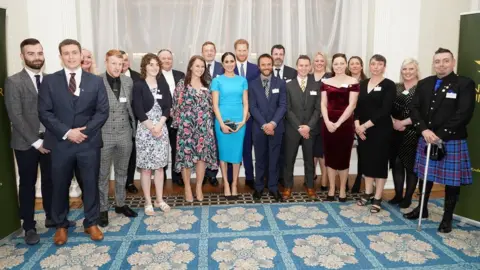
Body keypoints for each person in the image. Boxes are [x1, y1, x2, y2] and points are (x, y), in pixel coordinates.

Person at [38, 39, 108, 245]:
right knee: (59, 185)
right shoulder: (50, 81)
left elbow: (102, 111)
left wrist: (83, 132)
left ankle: (91, 223)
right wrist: (68, 132)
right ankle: (61, 225)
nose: (71, 56)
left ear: (80, 55)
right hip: (61, 144)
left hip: (88, 142)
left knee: (90, 184)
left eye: (74, 53)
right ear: (60, 57)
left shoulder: (95, 81)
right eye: (66, 53)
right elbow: (44, 112)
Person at [404, 48, 476, 234]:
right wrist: (424, 129)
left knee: (452, 182)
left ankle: (447, 218)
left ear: (453, 62)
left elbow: (464, 113)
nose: (441, 65)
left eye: (445, 61)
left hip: (451, 139)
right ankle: (422, 208)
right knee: (424, 175)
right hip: (426, 136)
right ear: (433, 63)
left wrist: (440, 134)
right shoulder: (425, 83)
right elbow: (414, 108)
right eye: (437, 61)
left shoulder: (464, 83)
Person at [4, 38, 68, 245]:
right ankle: (29, 225)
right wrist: (35, 142)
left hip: (50, 140)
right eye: (31, 53)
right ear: (22, 56)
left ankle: (52, 217)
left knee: (51, 180)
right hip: (26, 143)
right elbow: (16, 116)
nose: (36, 57)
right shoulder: (14, 82)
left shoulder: (51, 80)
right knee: (28, 184)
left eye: (39, 53)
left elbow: (57, 111)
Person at [97, 49, 138, 228]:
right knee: (103, 174)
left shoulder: (128, 82)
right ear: (106, 62)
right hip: (103, 135)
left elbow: (132, 108)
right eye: (113, 63)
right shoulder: (96, 81)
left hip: (124, 134)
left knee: (123, 172)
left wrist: (134, 132)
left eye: (120, 64)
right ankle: (103, 209)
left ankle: (120, 204)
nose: (117, 67)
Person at [171, 55, 218, 202]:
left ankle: (198, 187)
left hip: (204, 128)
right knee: (186, 159)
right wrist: (179, 123)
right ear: (191, 67)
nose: (200, 69)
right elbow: (175, 106)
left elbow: (213, 106)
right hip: (186, 128)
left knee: (201, 159)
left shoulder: (208, 84)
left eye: (202, 66)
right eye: (197, 66)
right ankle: (187, 188)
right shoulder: (181, 84)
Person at [355, 54, 396, 213]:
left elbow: (385, 110)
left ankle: (378, 197)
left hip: (381, 131)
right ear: (369, 66)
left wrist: (364, 126)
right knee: (366, 162)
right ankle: (367, 193)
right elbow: (357, 107)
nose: (376, 67)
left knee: (379, 163)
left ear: (384, 67)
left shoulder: (389, 85)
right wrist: (357, 125)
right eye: (373, 64)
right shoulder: (363, 83)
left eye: (380, 64)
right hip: (363, 131)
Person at [132, 53, 172, 216]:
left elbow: (168, 105)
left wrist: (160, 125)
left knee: (160, 168)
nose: (154, 67)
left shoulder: (162, 83)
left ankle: (159, 199)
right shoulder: (138, 85)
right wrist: (151, 127)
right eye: (151, 64)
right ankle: (148, 201)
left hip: (161, 129)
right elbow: (138, 109)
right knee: (147, 169)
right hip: (145, 130)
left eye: (157, 64)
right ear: (144, 67)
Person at [321, 53, 359, 202]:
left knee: (343, 158)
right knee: (329, 158)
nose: (338, 66)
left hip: (345, 125)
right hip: (328, 124)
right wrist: (328, 122)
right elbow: (323, 104)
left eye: (341, 63)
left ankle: (342, 189)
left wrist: (338, 123)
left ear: (346, 65)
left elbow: (352, 105)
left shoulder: (353, 81)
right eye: (336, 64)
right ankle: (331, 188)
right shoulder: (326, 82)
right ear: (333, 66)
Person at [249, 54, 287, 202]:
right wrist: (264, 124)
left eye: (268, 64)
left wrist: (272, 124)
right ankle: (258, 187)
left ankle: (273, 187)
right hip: (259, 128)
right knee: (260, 159)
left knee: (275, 159)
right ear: (259, 66)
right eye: (263, 64)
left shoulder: (281, 83)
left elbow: (283, 105)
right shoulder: (252, 84)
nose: (266, 67)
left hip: (276, 128)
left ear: (272, 65)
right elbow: (252, 107)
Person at [282, 55, 321, 200]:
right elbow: (287, 109)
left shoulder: (316, 85)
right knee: (289, 159)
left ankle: (310, 186)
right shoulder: (288, 85)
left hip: (310, 130)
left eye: (306, 65)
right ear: (296, 66)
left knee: (309, 160)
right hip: (293, 129)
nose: (304, 68)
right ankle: (288, 186)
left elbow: (318, 109)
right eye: (301, 65)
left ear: (310, 67)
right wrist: (300, 127)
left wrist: (308, 127)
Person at [212, 52, 248, 198]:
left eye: (231, 61)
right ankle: (226, 183)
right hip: (222, 121)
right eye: (226, 61)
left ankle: (234, 183)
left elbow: (246, 103)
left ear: (235, 62)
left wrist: (243, 121)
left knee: (236, 154)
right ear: (222, 64)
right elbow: (214, 105)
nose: (229, 64)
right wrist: (221, 124)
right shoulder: (217, 81)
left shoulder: (242, 80)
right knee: (224, 153)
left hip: (239, 121)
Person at [389, 58, 420, 209]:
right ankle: (398, 194)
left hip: (413, 131)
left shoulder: (422, 88)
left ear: (416, 70)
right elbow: (388, 106)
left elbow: (423, 112)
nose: (407, 72)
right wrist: (395, 121)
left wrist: (404, 123)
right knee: (397, 164)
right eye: (404, 69)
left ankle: (408, 197)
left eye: (411, 69)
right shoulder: (396, 87)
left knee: (411, 166)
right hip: (395, 130)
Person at [233, 39, 260, 189]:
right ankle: (231, 177)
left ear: (248, 51)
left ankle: (250, 177)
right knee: (233, 145)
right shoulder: (229, 68)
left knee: (248, 147)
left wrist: (249, 110)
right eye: (239, 50)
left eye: (244, 50)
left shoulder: (255, 69)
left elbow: (256, 92)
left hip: (251, 115)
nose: (242, 53)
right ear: (235, 51)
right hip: (234, 114)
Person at [158, 49, 185, 187]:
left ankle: (177, 175)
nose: (167, 60)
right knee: (161, 148)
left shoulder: (180, 75)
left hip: (177, 118)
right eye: (163, 58)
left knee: (177, 148)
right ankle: (160, 176)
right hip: (161, 119)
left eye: (169, 58)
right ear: (158, 60)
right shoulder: (154, 76)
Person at [271, 44, 297, 187]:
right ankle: (271, 177)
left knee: (285, 151)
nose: (278, 56)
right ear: (271, 55)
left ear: (284, 56)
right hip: (270, 118)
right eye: (276, 54)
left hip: (288, 118)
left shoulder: (292, 72)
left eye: (281, 54)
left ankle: (283, 177)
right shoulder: (265, 71)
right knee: (271, 150)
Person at [201, 41, 223, 187]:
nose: (209, 53)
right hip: (201, 113)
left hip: (219, 112)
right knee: (202, 145)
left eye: (211, 50)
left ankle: (213, 174)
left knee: (215, 144)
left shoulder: (223, 68)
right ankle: (202, 174)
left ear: (215, 52)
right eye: (206, 50)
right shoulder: (198, 68)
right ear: (202, 52)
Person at [119, 50, 141, 194]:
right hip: (116, 123)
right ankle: (119, 183)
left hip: (135, 121)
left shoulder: (138, 77)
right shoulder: (107, 78)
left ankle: (130, 181)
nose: (124, 63)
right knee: (119, 155)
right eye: (121, 61)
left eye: (126, 60)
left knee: (132, 153)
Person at [346, 56, 368, 193]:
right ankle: (344, 181)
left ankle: (359, 179)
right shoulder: (345, 82)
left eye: (357, 63)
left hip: (362, 122)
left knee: (362, 153)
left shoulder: (367, 82)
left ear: (361, 66)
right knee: (345, 152)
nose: (354, 66)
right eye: (352, 64)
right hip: (347, 120)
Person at [312, 52, 332, 192]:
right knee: (312, 150)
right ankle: (311, 177)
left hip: (326, 119)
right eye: (317, 60)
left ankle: (324, 178)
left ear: (325, 62)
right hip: (311, 119)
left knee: (323, 150)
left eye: (321, 61)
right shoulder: (308, 77)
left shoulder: (331, 77)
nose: (319, 63)